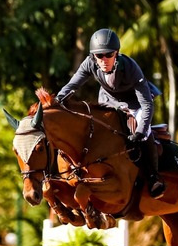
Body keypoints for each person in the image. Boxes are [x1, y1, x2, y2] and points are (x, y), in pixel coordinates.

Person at [56, 28, 165, 198]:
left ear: (117, 53)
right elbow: (72, 86)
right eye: (99, 55)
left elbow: (146, 104)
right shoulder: (89, 63)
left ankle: (153, 178)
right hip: (109, 101)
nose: (104, 59)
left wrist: (140, 132)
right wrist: (55, 102)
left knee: (145, 132)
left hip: (135, 102)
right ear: (93, 56)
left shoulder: (130, 67)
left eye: (109, 54)